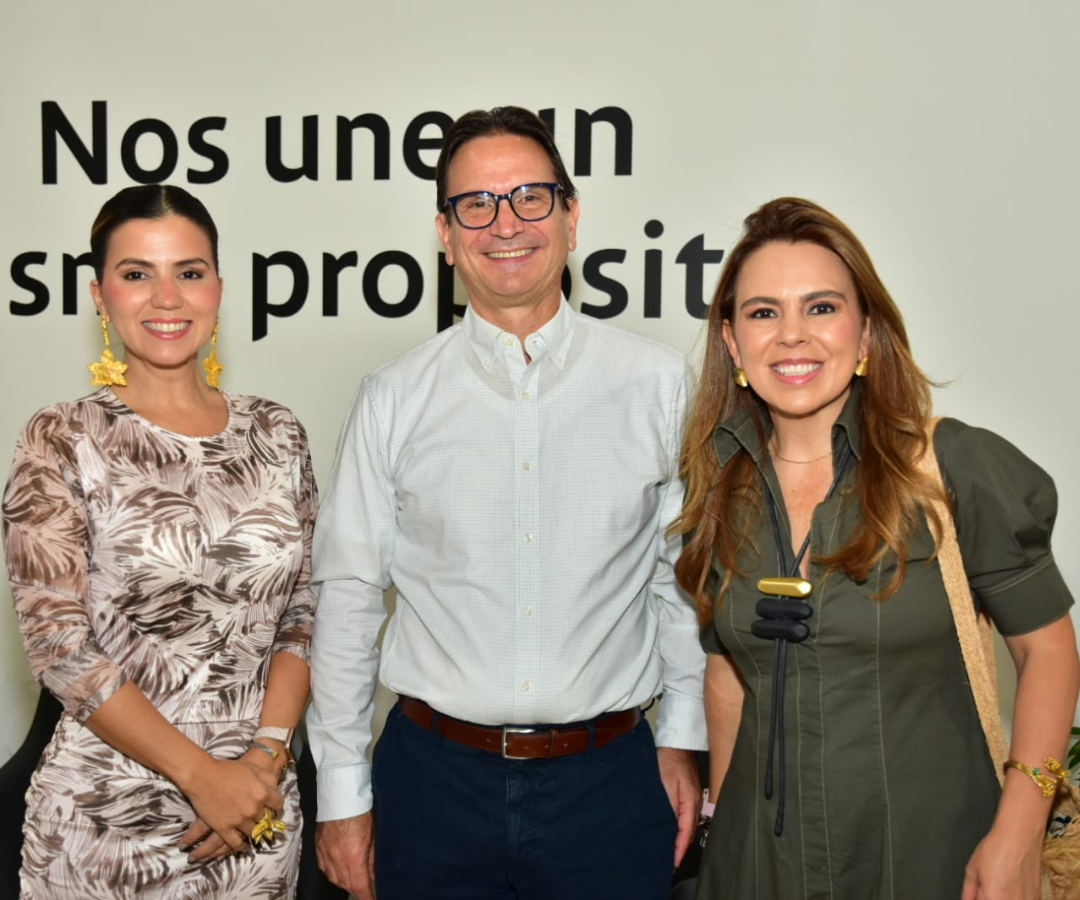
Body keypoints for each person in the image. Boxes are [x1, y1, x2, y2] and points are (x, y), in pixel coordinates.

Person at [306, 106, 707, 900]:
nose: (506, 224)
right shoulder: (392, 399)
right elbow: (348, 601)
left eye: (530, 196)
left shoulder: (659, 385)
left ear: (571, 214)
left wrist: (684, 738)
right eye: (476, 205)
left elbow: (681, 581)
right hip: (430, 788)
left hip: (612, 785)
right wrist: (343, 797)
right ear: (445, 234)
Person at [673, 196, 1079, 899]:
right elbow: (728, 678)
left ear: (865, 336)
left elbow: (1045, 649)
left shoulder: (955, 468)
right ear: (733, 345)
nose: (792, 336)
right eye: (763, 313)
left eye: (822, 308)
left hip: (932, 859)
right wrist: (719, 830)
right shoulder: (716, 488)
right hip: (756, 868)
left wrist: (1018, 831)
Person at [1, 184, 318, 898]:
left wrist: (265, 759)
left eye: (190, 271)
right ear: (99, 294)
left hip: (257, 823)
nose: (166, 297)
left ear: (219, 287)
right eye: (137, 273)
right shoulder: (60, 437)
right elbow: (58, 645)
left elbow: (302, 614)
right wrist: (206, 777)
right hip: (105, 830)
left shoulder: (277, 433)